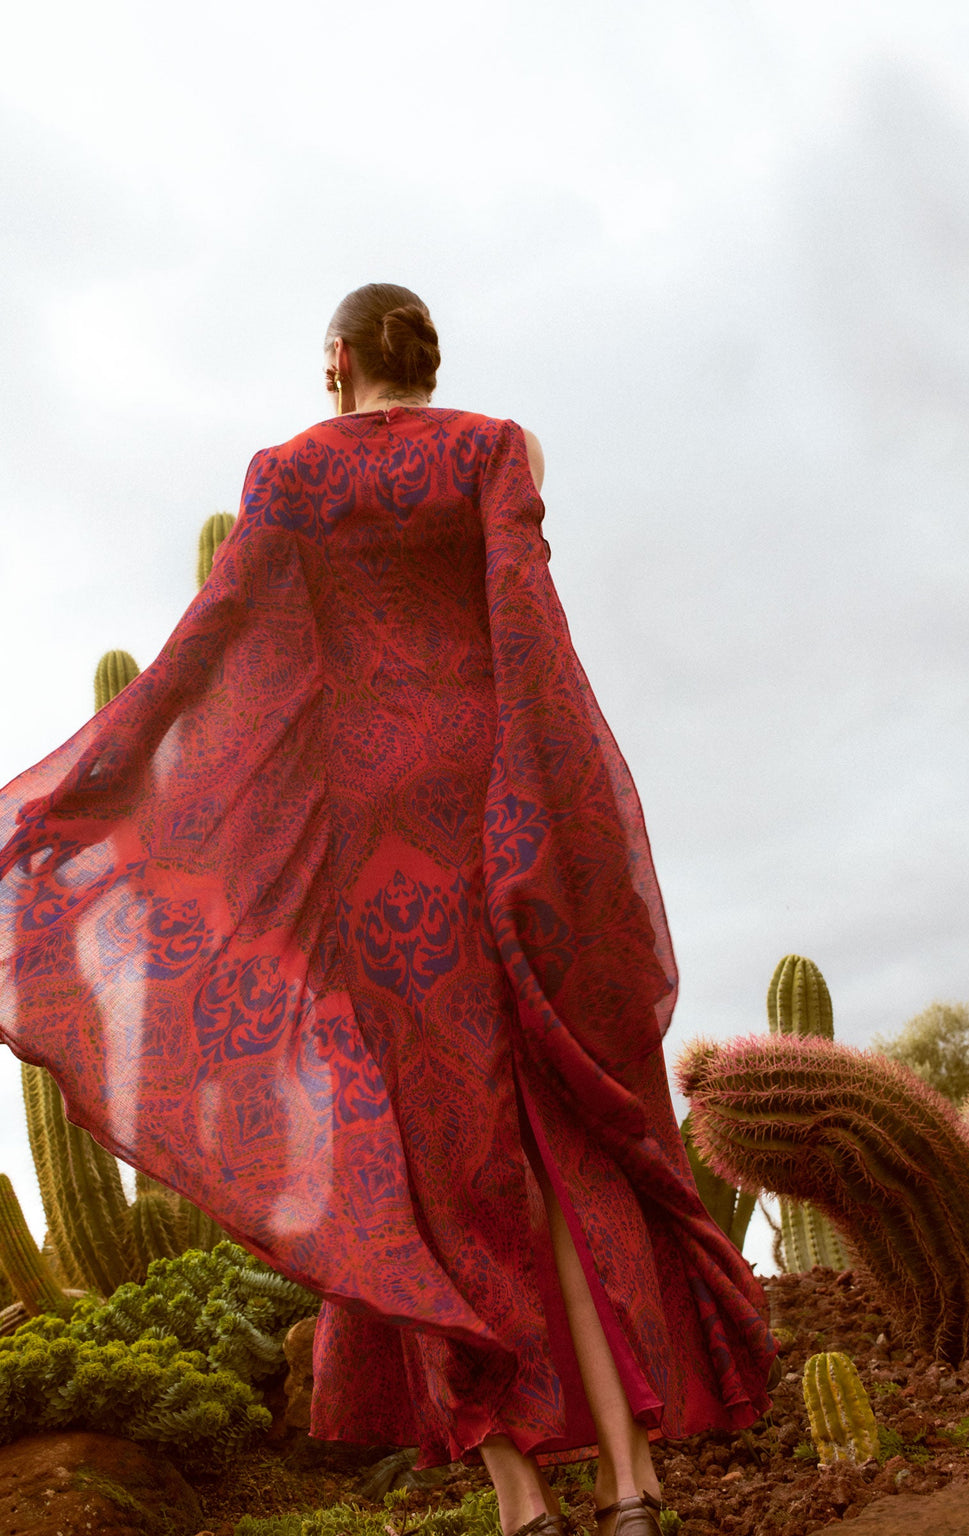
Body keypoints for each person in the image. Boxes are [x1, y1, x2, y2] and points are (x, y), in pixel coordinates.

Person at [0, 283, 777, 1536]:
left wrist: (72, 795)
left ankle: (522, 1502)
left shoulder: (287, 478)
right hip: (494, 808)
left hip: (377, 856)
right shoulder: (493, 450)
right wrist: (551, 819)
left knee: (425, 1170)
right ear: (426, 357)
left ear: (338, 363)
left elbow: (208, 648)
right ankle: (632, 1485)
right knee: (552, 1143)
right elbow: (531, 630)